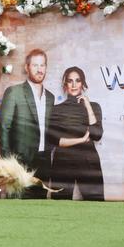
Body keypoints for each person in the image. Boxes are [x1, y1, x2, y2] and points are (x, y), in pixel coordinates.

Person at [0, 48, 54, 197]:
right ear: (27, 67)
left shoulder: (50, 97)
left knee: (41, 205)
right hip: (20, 161)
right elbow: (4, 127)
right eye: (35, 65)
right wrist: (8, 164)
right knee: (18, 207)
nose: (39, 69)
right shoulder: (14, 92)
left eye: (42, 65)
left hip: (44, 161)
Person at [45, 67, 105, 200]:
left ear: (83, 83)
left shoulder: (94, 106)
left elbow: (96, 134)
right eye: (70, 81)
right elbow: (55, 140)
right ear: (65, 84)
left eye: (77, 81)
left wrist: (88, 105)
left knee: (96, 204)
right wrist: (82, 139)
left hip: (89, 162)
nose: (73, 85)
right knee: (59, 207)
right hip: (63, 162)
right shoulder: (56, 110)